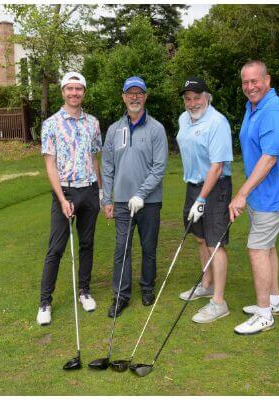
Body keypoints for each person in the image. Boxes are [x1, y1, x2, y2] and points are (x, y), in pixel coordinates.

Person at [228, 60, 279, 335]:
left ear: (267, 80)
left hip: (273, 193)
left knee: (256, 248)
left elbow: (269, 159)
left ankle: (265, 314)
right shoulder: (253, 107)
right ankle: (273, 300)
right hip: (260, 193)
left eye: (254, 81)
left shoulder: (276, 111)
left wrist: (241, 194)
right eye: (245, 82)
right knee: (267, 247)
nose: (249, 87)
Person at [38, 72, 103, 325]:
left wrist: (100, 191)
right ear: (63, 91)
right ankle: (45, 302)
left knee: (87, 244)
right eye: (70, 89)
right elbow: (50, 164)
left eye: (79, 89)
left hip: (89, 190)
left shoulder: (93, 123)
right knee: (56, 249)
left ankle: (84, 291)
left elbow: (94, 158)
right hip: (64, 192)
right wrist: (62, 198)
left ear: (83, 92)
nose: (74, 93)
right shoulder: (51, 124)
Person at [100, 76, 168, 317]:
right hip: (120, 201)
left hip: (149, 202)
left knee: (149, 247)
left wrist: (141, 194)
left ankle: (147, 287)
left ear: (145, 97)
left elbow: (159, 167)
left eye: (139, 93)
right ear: (124, 97)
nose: (135, 97)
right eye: (131, 93)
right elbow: (107, 166)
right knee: (122, 249)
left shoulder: (156, 128)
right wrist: (106, 199)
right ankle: (121, 296)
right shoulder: (114, 130)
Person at [172, 76, 236, 324]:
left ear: (206, 98)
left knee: (214, 243)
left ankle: (219, 302)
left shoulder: (217, 122)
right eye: (188, 98)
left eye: (197, 98)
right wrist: (196, 194)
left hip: (215, 187)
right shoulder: (183, 119)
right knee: (199, 237)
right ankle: (206, 284)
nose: (192, 103)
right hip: (193, 185)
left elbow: (217, 166)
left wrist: (202, 198)